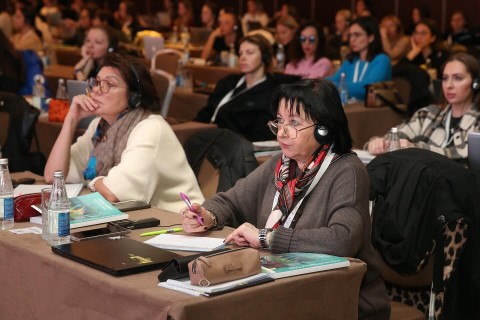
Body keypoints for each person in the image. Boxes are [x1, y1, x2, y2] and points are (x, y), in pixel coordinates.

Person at [183, 78, 390, 320]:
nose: (282, 131)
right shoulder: (281, 165)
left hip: (342, 300)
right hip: (282, 287)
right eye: (280, 121)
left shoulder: (348, 171)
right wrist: (207, 215)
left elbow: (341, 240)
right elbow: (232, 201)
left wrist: (266, 237)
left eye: (294, 122)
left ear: (323, 128)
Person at [44, 53, 204, 212]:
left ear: (134, 97)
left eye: (109, 85)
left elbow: (114, 194)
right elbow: (53, 176)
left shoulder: (151, 128)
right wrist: (71, 120)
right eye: (97, 82)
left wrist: (93, 181)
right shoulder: (99, 127)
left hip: (180, 224)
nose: (97, 90)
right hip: (135, 220)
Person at [366, 52, 480, 162]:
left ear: (475, 83)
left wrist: (416, 149)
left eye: (458, 78)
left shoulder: (477, 121)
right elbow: (396, 136)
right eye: (445, 78)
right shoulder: (427, 114)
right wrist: (379, 143)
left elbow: (464, 153)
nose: (449, 85)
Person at [196, 34, 297, 142]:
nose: (242, 58)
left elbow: (261, 135)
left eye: (249, 53)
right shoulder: (228, 82)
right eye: (240, 53)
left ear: (264, 56)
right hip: (207, 138)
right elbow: (206, 112)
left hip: (235, 146)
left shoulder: (272, 93)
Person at [328, 16, 391, 101]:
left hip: (370, 111)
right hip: (349, 108)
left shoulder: (382, 60)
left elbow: (367, 88)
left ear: (371, 37)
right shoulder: (350, 60)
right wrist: (317, 82)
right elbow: (335, 79)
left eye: (357, 35)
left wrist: (331, 86)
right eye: (350, 35)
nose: (352, 40)